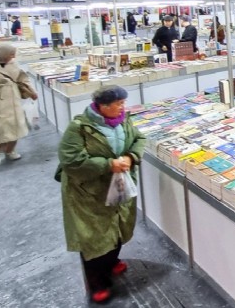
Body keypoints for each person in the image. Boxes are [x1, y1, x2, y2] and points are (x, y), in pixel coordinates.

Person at [57, 85, 145, 304]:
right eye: (118, 104)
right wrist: (108, 165)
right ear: (103, 107)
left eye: (123, 103)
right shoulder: (79, 128)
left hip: (119, 186)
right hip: (88, 192)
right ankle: (97, 281)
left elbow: (139, 139)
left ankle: (112, 261)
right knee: (93, 236)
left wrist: (132, 156)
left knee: (117, 226)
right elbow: (71, 160)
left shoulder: (124, 119)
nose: (123, 107)